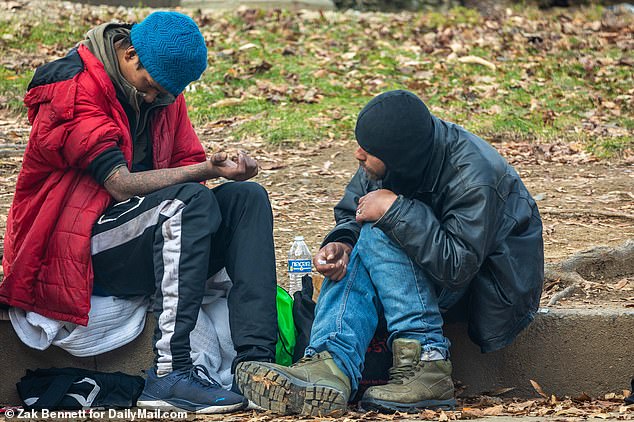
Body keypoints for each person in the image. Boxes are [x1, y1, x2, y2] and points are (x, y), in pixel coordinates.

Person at [0, 11, 278, 414]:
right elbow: (118, 183)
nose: (154, 99)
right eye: (150, 88)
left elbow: (188, 165)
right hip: (70, 246)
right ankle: (170, 372)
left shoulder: (164, 91)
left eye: (165, 94)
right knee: (188, 202)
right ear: (129, 54)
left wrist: (226, 172)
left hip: (145, 230)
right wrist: (205, 170)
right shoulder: (72, 87)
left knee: (246, 198)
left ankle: (256, 364)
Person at [235, 90, 544, 415]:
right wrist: (341, 244)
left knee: (380, 228)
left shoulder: (474, 176)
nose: (358, 155)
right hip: (419, 274)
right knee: (362, 242)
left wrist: (395, 211)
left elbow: (458, 266)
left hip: (485, 289)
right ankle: (330, 365)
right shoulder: (391, 156)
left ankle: (428, 364)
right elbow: (353, 214)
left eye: (368, 152)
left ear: (399, 157)